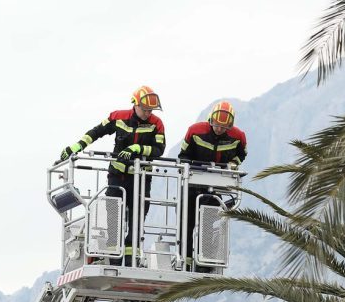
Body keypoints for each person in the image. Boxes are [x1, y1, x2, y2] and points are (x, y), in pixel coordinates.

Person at [57, 86, 165, 265]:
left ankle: (131, 259)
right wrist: (77, 146)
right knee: (113, 215)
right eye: (145, 110)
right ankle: (114, 257)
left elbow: (159, 149)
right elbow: (96, 132)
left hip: (142, 178)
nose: (148, 113)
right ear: (135, 104)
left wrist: (137, 148)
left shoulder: (157, 123)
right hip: (118, 176)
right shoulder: (118, 117)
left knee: (138, 218)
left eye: (150, 110)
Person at [178, 101, 247, 270]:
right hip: (192, 184)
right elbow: (182, 156)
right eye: (216, 125)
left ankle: (205, 262)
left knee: (209, 222)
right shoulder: (195, 131)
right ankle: (185, 261)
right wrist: (195, 167)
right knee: (186, 223)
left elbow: (241, 155)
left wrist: (232, 164)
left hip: (214, 187)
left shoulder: (238, 137)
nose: (219, 129)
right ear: (211, 120)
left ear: (229, 127)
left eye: (223, 127)